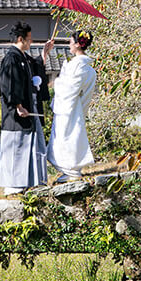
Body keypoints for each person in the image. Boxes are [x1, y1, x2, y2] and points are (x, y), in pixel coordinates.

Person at [0, 21, 51, 195]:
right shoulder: (12, 58)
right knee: (16, 147)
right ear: (21, 39)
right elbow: (9, 84)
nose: (31, 41)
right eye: (29, 38)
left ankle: (27, 181)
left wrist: (44, 54)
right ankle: (12, 183)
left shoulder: (22, 57)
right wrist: (18, 105)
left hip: (28, 109)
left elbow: (35, 66)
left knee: (28, 146)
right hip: (16, 114)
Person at [47, 29, 97, 182]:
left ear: (77, 44)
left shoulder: (78, 65)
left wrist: (58, 81)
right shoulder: (86, 67)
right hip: (74, 107)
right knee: (70, 136)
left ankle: (71, 170)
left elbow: (70, 89)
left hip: (69, 107)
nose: (69, 45)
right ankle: (69, 170)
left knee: (67, 136)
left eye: (70, 42)